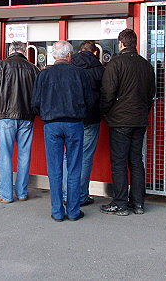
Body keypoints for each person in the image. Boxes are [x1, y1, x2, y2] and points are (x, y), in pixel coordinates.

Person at [31, 40, 94, 222]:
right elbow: (89, 101)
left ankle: (57, 212)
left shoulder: (44, 75)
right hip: (74, 124)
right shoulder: (80, 74)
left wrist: (46, 113)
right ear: (69, 56)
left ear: (53, 56)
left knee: (55, 168)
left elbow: (35, 102)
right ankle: (74, 211)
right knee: (74, 168)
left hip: (51, 125)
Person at [100, 29, 155, 216]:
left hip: (119, 121)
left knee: (119, 162)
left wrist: (105, 112)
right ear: (135, 43)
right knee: (136, 161)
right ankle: (138, 203)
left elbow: (107, 94)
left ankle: (120, 203)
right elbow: (150, 96)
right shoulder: (147, 66)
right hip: (139, 120)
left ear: (121, 43)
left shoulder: (115, 64)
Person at [0, 41, 39, 203]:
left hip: (5, 116)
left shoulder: (0, 66)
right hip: (27, 117)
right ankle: (22, 192)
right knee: (24, 155)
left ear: (10, 51)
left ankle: (6, 194)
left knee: (5, 156)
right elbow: (38, 95)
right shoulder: (33, 68)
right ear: (23, 51)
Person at [62, 40, 105, 207]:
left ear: (79, 51)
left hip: (72, 117)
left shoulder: (70, 67)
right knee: (85, 157)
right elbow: (105, 93)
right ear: (95, 52)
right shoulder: (100, 69)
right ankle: (80, 196)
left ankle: (66, 193)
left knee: (69, 155)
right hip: (92, 117)